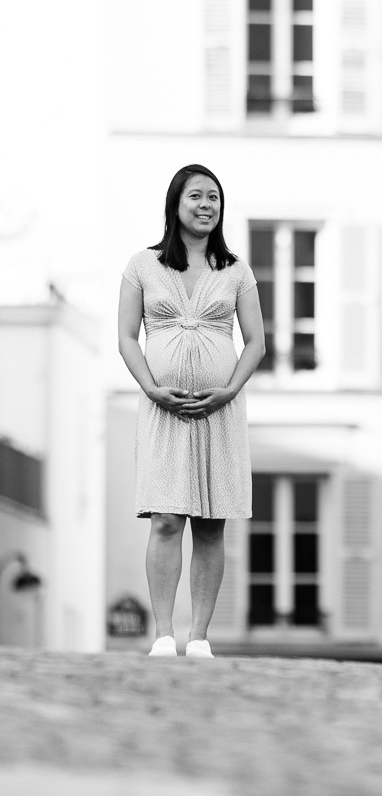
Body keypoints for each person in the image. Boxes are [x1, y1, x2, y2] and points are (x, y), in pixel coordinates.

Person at [118, 164, 265, 659]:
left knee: (210, 523)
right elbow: (125, 337)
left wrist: (228, 391)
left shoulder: (236, 270)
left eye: (215, 199)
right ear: (175, 204)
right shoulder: (142, 265)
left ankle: (199, 635)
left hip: (219, 411)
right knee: (165, 520)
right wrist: (151, 387)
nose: (207, 206)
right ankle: (163, 632)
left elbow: (257, 343)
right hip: (162, 408)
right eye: (197, 197)